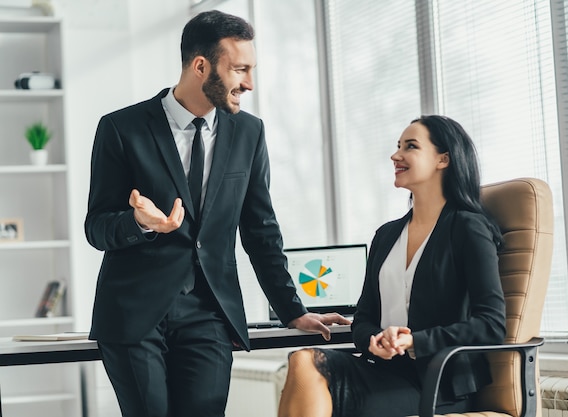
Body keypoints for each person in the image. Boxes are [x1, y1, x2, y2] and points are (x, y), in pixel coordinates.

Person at [84, 10, 349, 417]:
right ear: (201, 66)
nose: (249, 83)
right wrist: (139, 222)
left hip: (208, 314)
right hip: (134, 314)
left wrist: (292, 310)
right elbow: (97, 227)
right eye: (239, 69)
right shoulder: (122, 128)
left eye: (251, 69)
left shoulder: (249, 132)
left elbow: (261, 230)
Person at [277, 115, 507, 417]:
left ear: (443, 159)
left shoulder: (468, 228)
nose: (395, 155)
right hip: (383, 370)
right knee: (302, 361)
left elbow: (491, 324)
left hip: (439, 383)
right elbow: (363, 319)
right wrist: (374, 340)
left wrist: (414, 341)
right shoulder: (386, 235)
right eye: (397, 146)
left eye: (410, 146)